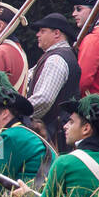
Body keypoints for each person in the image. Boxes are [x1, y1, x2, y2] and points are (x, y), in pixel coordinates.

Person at [27, 12, 82, 152]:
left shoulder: (55, 60)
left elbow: (44, 99)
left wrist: (20, 114)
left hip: (53, 131)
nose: (37, 34)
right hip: (59, 128)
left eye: (42, 31)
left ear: (57, 33)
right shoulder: (58, 55)